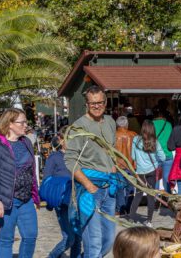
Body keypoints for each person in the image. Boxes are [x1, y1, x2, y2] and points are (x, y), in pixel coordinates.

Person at [64, 86, 118, 257]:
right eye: (93, 103)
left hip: (109, 189)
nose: (97, 106)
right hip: (90, 190)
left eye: (100, 102)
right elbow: (70, 160)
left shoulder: (110, 121)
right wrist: (88, 185)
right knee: (93, 242)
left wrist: (114, 174)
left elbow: (112, 151)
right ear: (86, 104)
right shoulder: (78, 127)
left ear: (106, 102)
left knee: (108, 240)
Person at [0, 108, 40, 258]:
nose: (26, 125)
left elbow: (31, 171)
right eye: (22, 122)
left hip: (26, 198)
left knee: (30, 236)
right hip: (6, 199)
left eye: (26, 121)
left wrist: (34, 195)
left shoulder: (26, 142)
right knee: (6, 239)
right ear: (10, 124)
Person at [44, 136, 81, 258]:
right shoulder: (54, 157)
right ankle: (53, 256)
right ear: (61, 142)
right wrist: (51, 200)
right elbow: (47, 179)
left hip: (77, 200)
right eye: (68, 139)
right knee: (69, 238)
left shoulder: (77, 157)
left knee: (77, 236)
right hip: (62, 201)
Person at [129, 120, 166, 227]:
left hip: (140, 172)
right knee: (151, 195)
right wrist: (156, 161)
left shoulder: (136, 140)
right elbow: (163, 157)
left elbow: (133, 157)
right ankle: (149, 220)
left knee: (138, 195)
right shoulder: (155, 142)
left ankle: (131, 218)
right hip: (152, 171)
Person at [114, 116, 137, 215]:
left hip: (118, 166)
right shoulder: (133, 135)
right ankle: (128, 207)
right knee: (130, 189)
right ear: (127, 124)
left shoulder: (113, 135)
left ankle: (120, 209)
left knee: (119, 189)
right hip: (130, 166)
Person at [152, 106, 173, 193]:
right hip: (167, 154)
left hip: (155, 154)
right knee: (167, 178)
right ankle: (168, 198)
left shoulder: (151, 124)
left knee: (155, 178)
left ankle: (155, 199)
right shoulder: (168, 124)